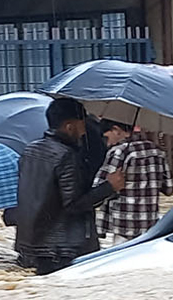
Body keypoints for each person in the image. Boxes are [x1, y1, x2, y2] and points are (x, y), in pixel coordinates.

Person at [13, 97, 125, 274]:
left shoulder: (30, 150)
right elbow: (73, 204)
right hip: (63, 249)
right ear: (70, 126)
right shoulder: (66, 156)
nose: (83, 132)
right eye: (82, 126)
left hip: (32, 244)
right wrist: (109, 187)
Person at [95, 120, 173, 243]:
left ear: (116, 130)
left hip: (123, 225)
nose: (108, 143)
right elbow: (169, 189)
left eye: (107, 137)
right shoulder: (157, 151)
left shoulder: (119, 152)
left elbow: (99, 188)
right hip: (149, 224)